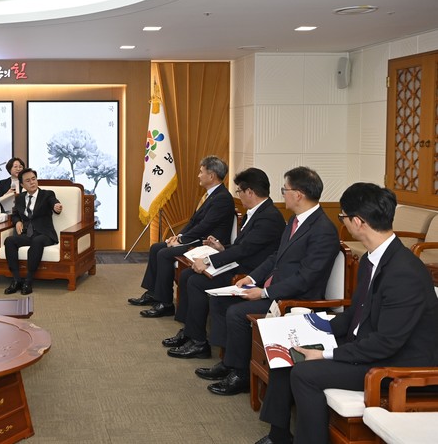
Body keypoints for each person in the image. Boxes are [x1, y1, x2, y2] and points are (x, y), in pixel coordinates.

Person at [257, 183, 438, 444]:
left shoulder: (404, 273)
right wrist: (311, 326)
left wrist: (324, 354)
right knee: (286, 350)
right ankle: (279, 435)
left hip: (396, 363)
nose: (342, 222)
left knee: (305, 374)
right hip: (368, 344)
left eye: (343, 216)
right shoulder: (371, 259)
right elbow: (357, 314)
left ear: (358, 222)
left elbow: (386, 342)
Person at [197, 166, 338, 396]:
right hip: (274, 289)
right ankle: (229, 363)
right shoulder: (295, 221)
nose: (282, 194)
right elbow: (275, 257)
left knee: (236, 312)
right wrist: (251, 278)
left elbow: (306, 279)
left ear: (298, 195)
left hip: (294, 299)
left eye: (285, 190)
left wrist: (263, 293)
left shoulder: (323, 230)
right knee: (221, 300)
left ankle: (240, 374)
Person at [164, 167, 285, 359]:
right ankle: (190, 332)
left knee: (196, 281)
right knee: (187, 275)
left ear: (250, 192)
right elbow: (243, 246)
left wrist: (208, 260)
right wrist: (222, 248)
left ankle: (199, 342)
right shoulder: (257, 212)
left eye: (239, 191)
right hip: (239, 264)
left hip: (249, 273)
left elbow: (245, 250)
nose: (238, 195)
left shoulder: (269, 217)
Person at [127, 155, 235, 318]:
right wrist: (178, 236)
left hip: (208, 246)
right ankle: (153, 293)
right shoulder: (211, 195)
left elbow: (205, 226)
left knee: (164, 253)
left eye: (201, 172)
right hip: (197, 239)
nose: (198, 175)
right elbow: (194, 222)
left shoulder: (222, 198)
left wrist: (181, 240)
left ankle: (165, 303)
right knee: (156, 247)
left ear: (211, 176)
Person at [3, 168, 62, 295]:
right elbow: (15, 214)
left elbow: (53, 202)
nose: (32, 182)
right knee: (9, 241)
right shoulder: (20, 198)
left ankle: (28, 281)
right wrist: (17, 221)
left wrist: (56, 206)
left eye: (34, 179)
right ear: (22, 185)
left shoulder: (47, 194)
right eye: (28, 181)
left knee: (37, 241)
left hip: (45, 234)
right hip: (27, 234)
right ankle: (16, 280)